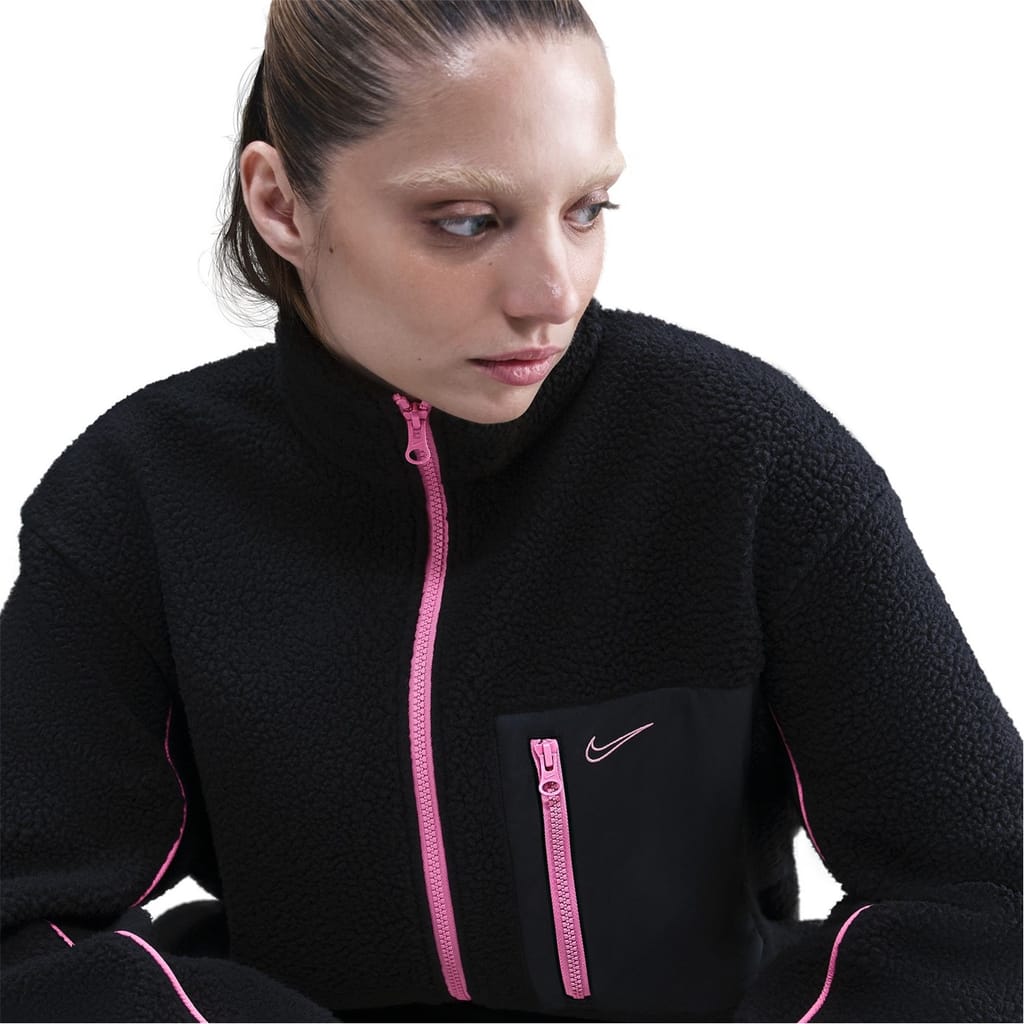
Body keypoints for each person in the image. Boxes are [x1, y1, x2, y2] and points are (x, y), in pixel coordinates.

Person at [1, 1, 1019, 1021]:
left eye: (586, 210)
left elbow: (991, 898)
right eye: (467, 221)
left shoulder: (747, 460)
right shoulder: (139, 500)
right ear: (281, 204)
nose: (552, 293)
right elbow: (21, 926)